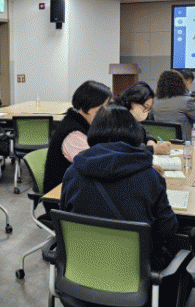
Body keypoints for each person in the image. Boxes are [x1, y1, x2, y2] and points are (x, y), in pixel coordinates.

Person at [60, 104, 178, 270]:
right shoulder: (150, 177)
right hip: (135, 269)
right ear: (135, 133)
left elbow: (66, 217)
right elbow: (167, 229)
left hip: (82, 266)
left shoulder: (73, 172)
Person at [43, 80, 111, 194]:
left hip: (77, 189)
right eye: (100, 110)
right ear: (87, 106)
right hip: (63, 197)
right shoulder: (73, 134)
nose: (104, 114)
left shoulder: (83, 123)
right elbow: (97, 167)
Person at [113, 81, 171, 155]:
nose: (146, 112)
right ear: (133, 102)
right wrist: (153, 150)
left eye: (148, 109)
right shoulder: (116, 117)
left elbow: (143, 132)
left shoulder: (131, 118)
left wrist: (150, 141)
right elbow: (126, 148)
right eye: (145, 107)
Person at [150, 70, 195, 141]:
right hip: (183, 144)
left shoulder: (154, 101)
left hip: (162, 142)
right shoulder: (186, 101)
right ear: (180, 84)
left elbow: (151, 123)